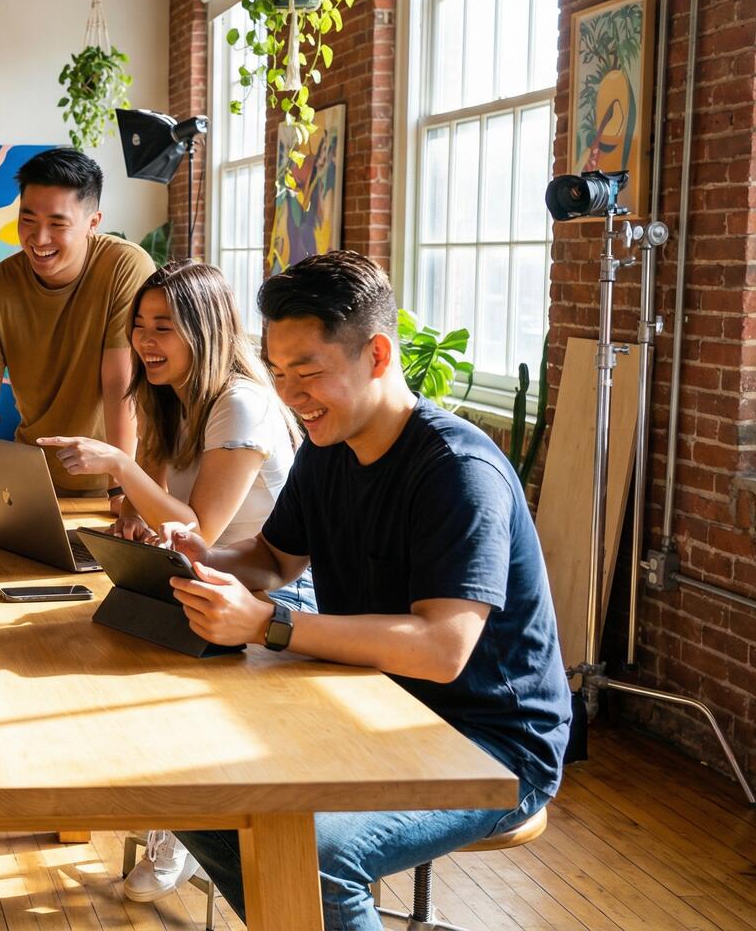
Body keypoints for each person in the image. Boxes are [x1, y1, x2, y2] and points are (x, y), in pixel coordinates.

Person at [158, 251, 571, 931]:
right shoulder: (328, 447)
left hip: (491, 744)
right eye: (279, 373)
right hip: (371, 701)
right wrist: (204, 556)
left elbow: (443, 649)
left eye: (309, 372)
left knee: (320, 857)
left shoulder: (457, 472)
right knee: (189, 796)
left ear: (376, 354)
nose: (291, 395)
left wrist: (267, 626)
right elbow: (272, 557)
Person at [32, 259, 312, 902]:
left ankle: (186, 828)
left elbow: (201, 529)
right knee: (97, 633)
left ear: (206, 331)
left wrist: (119, 467)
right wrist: (132, 517)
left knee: (124, 654)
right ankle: (174, 817)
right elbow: (165, 519)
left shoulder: (240, 404)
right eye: (138, 326)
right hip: (208, 577)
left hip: (274, 592)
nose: (144, 341)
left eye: (163, 327)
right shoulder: (171, 398)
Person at [0, 147, 154, 521]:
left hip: (120, 484)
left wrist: (121, 485)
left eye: (58, 224)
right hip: (36, 483)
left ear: (93, 222)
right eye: (27, 219)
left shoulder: (124, 266)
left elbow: (119, 381)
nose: (38, 237)